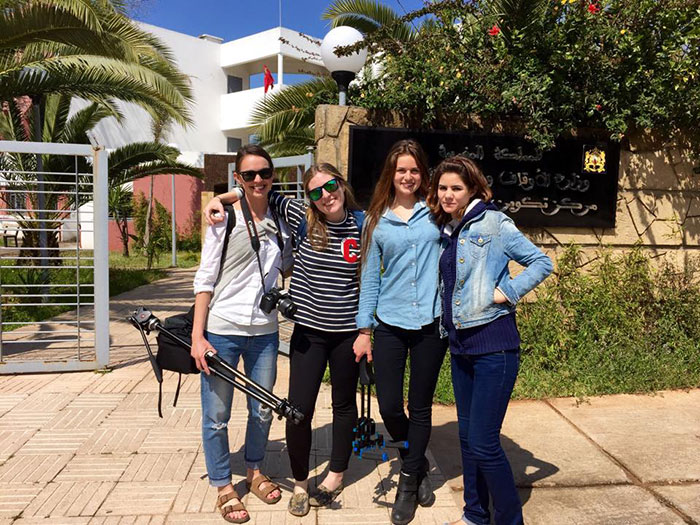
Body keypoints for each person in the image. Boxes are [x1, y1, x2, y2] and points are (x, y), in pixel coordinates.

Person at [203, 163, 363, 517]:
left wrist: (368, 332)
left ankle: (336, 474)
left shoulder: (363, 223)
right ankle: (302, 482)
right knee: (297, 410)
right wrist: (220, 197)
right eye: (316, 192)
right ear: (309, 198)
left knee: (343, 406)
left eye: (331, 186)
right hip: (308, 334)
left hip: (348, 334)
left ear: (342, 184)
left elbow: (374, 278)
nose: (326, 196)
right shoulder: (301, 216)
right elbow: (257, 192)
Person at [427, 156, 553, 525]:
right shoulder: (448, 228)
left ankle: (510, 520)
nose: (448, 195)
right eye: (443, 188)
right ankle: (475, 515)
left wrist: (507, 292)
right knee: (467, 440)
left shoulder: (494, 223)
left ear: (474, 190)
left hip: (494, 347)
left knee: (483, 441)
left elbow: (541, 262)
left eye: (456, 188)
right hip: (461, 346)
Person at [192, 145, 291, 523]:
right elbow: (204, 279)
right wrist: (198, 336)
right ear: (238, 178)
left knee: (262, 410)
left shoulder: (282, 218)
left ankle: (253, 469)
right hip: (222, 330)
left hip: (265, 332)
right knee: (216, 414)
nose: (257, 180)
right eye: (248, 175)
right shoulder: (224, 217)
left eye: (263, 172)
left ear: (273, 174)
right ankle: (222, 484)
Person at [353, 139, 447, 525]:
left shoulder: (438, 214)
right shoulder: (377, 221)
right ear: (390, 175)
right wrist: (364, 330)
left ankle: (407, 483)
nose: (408, 176)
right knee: (389, 405)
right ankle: (419, 460)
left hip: (431, 324)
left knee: (421, 406)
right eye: (401, 170)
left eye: (414, 170)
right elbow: (370, 279)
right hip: (390, 323)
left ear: (423, 175)